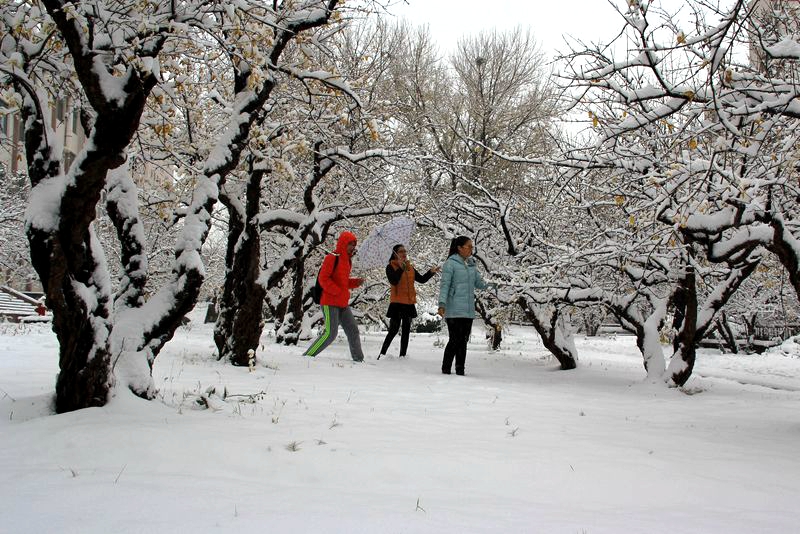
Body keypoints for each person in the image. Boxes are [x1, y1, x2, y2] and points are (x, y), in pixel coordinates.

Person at [304, 231, 365, 362]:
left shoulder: (348, 261)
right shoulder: (332, 258)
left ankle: (359, 360)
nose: (352, 247)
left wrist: (355, 282)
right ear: (343, 243)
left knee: (353, 330)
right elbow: (323, 279)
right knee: (330, 334)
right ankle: (308, 356)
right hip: (329, 302)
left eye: (354, 245)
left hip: (342, 303)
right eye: (350, 244)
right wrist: (336, 291)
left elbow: (343, 282)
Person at [378, 244, 441, 359]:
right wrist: (401, 268)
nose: (404, 253)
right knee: (393, 330)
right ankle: (382, 354)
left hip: (409, 303)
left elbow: (421, 279)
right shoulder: (390, 267)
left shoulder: (409, 267)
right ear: (395, 253)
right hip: (397, 303)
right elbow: (394, 281)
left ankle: (402, 356)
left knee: (406, 331)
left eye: (405, 251)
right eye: (401, 251)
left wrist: (431, 272)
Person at [437, 236, 488, 375]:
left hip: (468, 309)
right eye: (469, 246)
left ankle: (460, 369)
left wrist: (496, 284)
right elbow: (445, 285)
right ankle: (446, 368)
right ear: (459, 248)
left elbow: (480, 283)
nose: (471, 249)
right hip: (454, 309)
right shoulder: (450, 264)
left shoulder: (471, 265)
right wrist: (442, 304)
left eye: (472, 246)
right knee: (455, 339)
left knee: (463, 340)